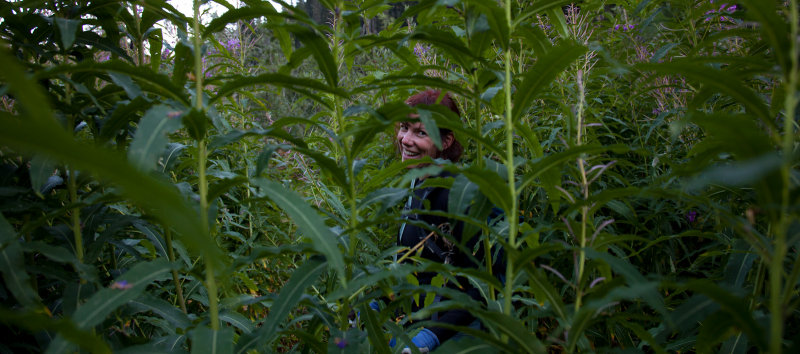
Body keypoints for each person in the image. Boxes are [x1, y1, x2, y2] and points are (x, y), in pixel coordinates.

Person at [388, 89, 482, 353]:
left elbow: (477, 283)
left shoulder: (454, 196)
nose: (405, 140)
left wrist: (431, 336)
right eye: (404, 127)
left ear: (446, 141)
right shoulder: (419, 179)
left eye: (421, 133)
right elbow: (412, 261)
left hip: (450, 339)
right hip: (412, 324)